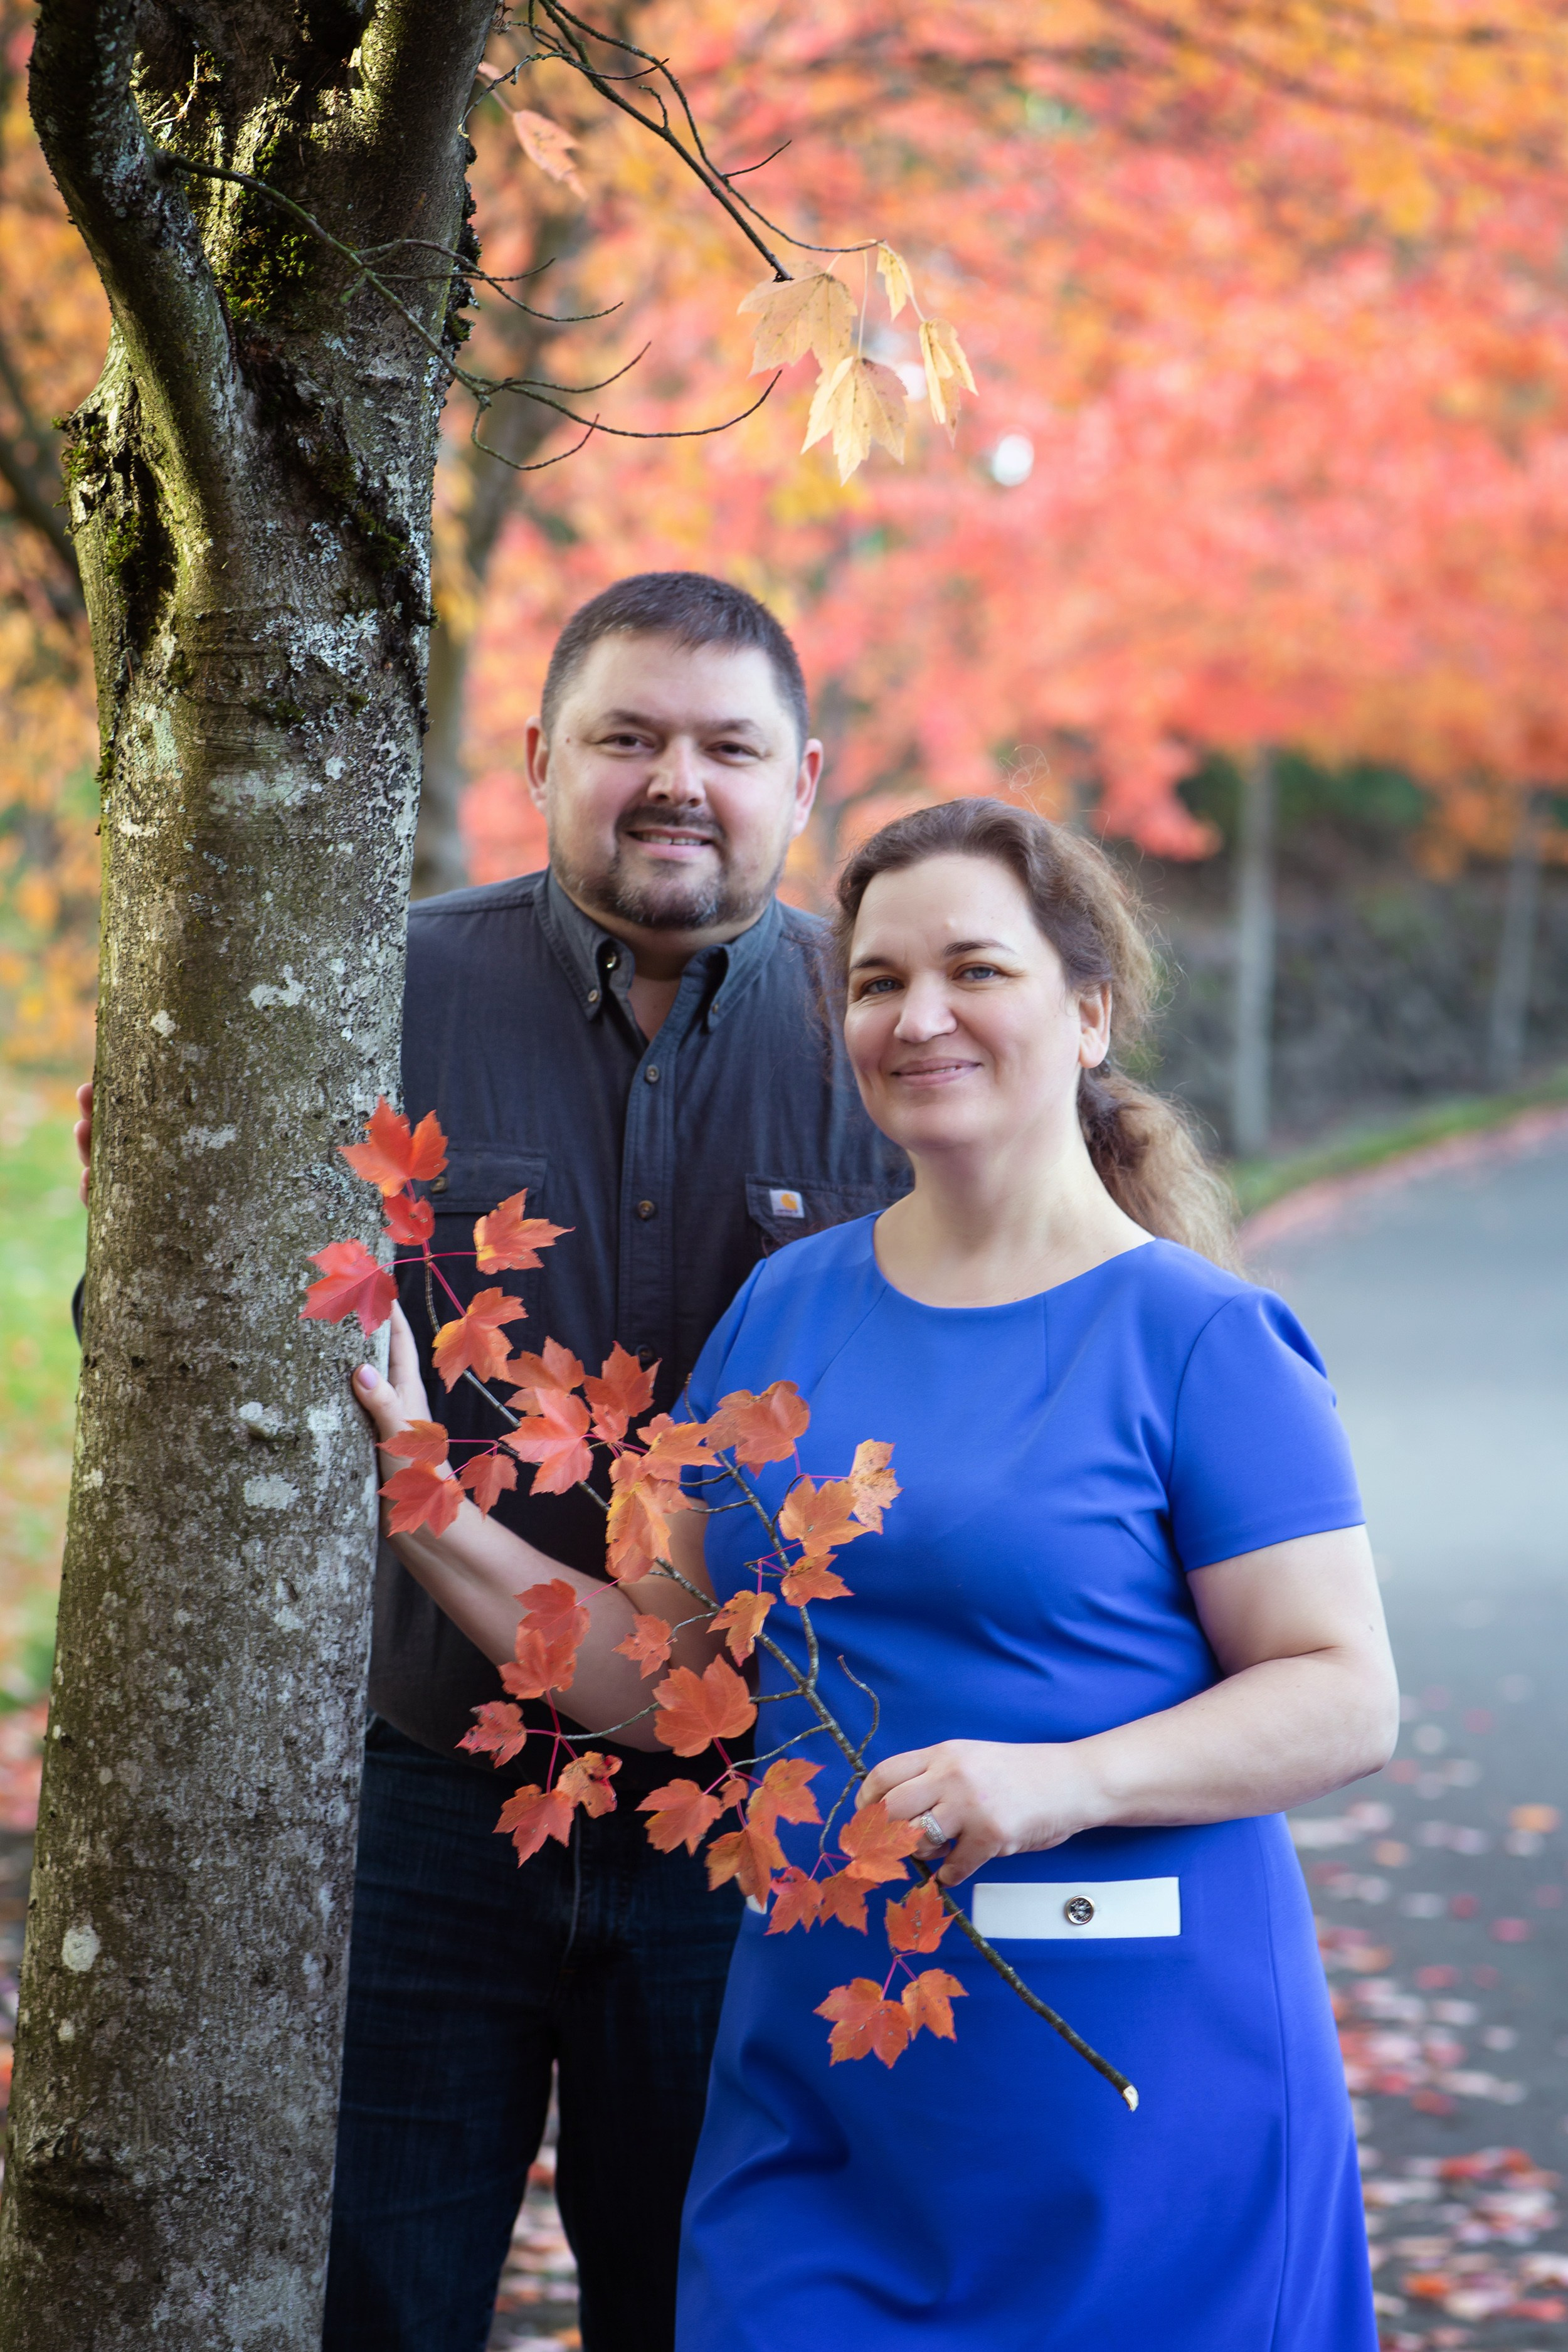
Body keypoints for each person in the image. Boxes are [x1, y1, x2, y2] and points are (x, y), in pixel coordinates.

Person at [354, 795, 1398, 2349]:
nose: (917, 1018)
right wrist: (425, 1496)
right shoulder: (780, 1311)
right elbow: (668, 1678)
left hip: (1125, 2081)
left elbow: (1341, 1694)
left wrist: (1063, 1782)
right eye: (875, 981)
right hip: (821, 2070)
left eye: (975, 970)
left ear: (1088, 1013)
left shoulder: (1201, 1339)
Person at [75, 573, 911, 2352]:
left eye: (727, 746)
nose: (675, 780)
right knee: (376, 2299)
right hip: (421, 1791)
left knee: (709, 2308)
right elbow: (184, 1309)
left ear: (803, 778)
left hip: (750, 1822)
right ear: (538, 756)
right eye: (627, 736)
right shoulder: (370, 996)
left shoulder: (890, 1043)